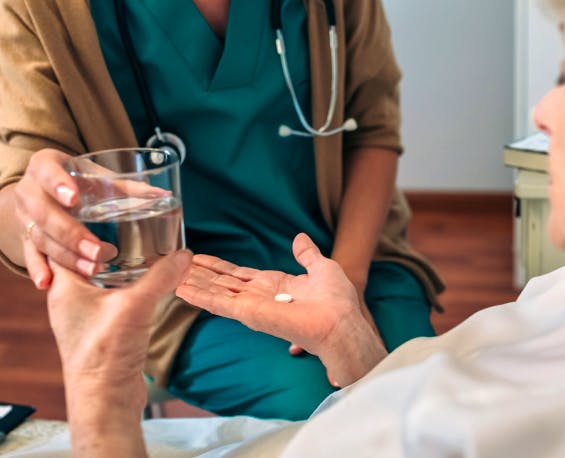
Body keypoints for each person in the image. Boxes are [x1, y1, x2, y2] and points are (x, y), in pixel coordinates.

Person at [2, 0, 565, 458]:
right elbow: (419, 430)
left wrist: (102, 387)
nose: (541, 112)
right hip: (242, 362)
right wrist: (357, 350)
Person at [0, 0, 443, 420]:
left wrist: (347, 284)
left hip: (350, 249)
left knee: (419, 389)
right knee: (323, 403)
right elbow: (20, 192)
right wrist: (38, 220)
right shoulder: (38, 9)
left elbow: (372, 128)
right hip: (182, 291)